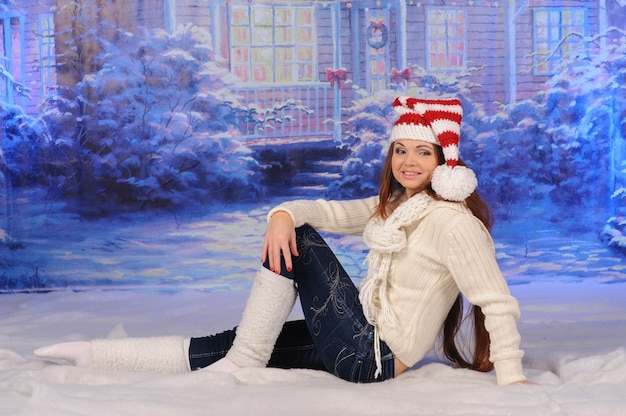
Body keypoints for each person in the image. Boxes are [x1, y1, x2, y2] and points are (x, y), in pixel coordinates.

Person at [35, 96, 529, 385]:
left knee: (303, 244)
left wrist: (512, 377)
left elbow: (496, 302)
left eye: (424, 152)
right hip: (358, 336)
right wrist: (281, 214)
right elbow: (328, 210)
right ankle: (95, 356)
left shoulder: (453, 222)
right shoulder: (396, 207)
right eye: (400, 150)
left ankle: (242, 366)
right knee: (236, 340)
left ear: (446, 164)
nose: (408, 162)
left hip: (372, 355)